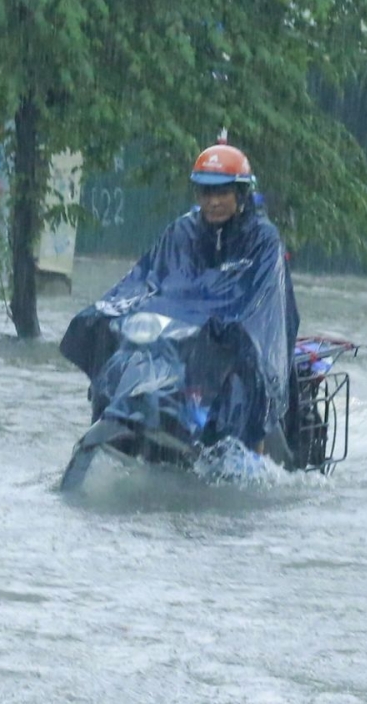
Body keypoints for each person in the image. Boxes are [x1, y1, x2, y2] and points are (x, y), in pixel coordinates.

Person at [58, 137, 300, 464]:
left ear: (240, 194)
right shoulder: (181, 232)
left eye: (222, 192)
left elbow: (261, 300)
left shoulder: (262, 238)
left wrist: (222, 325)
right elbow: (147, 281)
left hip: (235, 343)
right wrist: (111, 311)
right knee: (127, 357)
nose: (213, 201)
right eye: (205, 193)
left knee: (246, 380)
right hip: (183, 340)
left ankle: (249, 458)